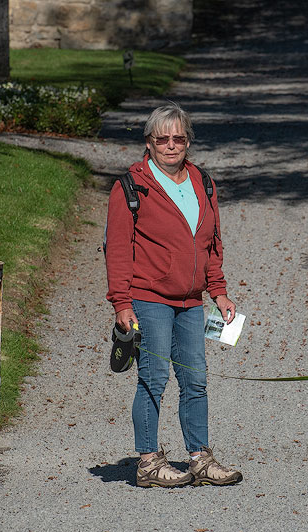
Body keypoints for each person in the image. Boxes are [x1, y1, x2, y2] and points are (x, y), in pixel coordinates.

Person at [104, 102, 243, 488]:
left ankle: (199, 458)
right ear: (148, 143)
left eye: (178, 138)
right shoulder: (130, 187)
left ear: (188, 142)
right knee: (154, 378)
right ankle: (148, 462)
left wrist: (219, 292)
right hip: (149, 298)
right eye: (161, 138)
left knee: (195, 380)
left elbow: (211, 244)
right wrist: (122, 303)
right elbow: (117, 250)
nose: (170, 145)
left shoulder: (203, 183)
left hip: (191, 302)